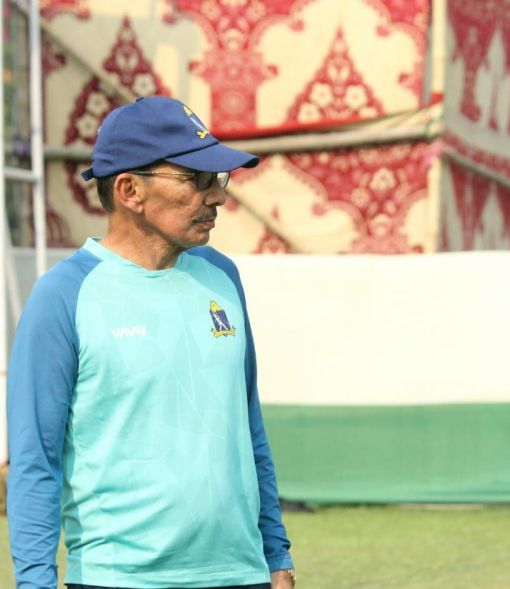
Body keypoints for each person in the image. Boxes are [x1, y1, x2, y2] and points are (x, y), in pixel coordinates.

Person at [8, 96, 295, 589]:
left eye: (218, 179)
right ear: (129, 190)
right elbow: (36, 459)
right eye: (197, 179)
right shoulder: (63, 296)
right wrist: (35, 583)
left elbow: (248, 429)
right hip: (118, 579)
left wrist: (275, 555)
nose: (217, 198)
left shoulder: (223, 278)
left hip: (240, 574)